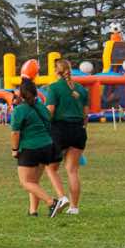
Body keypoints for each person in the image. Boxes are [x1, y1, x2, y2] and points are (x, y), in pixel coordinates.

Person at [9, 78, 68, 217]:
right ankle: (33, 211)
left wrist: (14, 150)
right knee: (34, 181)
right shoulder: (40, 106)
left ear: (21, 94)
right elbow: (48, 118)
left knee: (26, 182)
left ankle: (52, 202)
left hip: (30, 148)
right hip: (46, 146)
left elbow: (15, 133)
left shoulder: (19, 110)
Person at [43, 62, 88, 214]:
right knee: (72, 170)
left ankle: (62, 197)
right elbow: (85, 115)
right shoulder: (81, 89)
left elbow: (50, 111)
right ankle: (74, 207)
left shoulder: (54, 88)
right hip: (79, 130)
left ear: (57, 71)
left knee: (50, 167)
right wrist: (82, 128)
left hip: (59, 130)